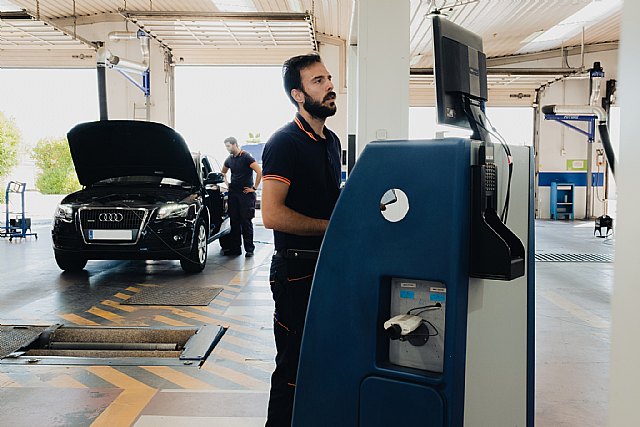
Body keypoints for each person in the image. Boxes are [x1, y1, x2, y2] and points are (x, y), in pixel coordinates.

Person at [261, 53, 342, 426]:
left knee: (324, 360)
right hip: (295, 271)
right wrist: (331, 226)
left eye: (327, 78)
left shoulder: (331, 141)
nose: (329, 86)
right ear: (298, 94)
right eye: (317, 81)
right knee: (292, 367)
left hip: (326, 267)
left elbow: (328, 197)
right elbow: (272, 215)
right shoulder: (285, 142)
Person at [220, 136, 262, 257]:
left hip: (246, 194)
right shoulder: (229, 159)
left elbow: (259, 171)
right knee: (234, 221)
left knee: (246, 222)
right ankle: (235, 249)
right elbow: (223, 172)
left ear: (234, 144)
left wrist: (254, 188)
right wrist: (227, 184)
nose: (227, 148)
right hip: (234, 193)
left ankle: (249, 249)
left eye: (228, 146)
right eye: (226, 146)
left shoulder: (246, 157)